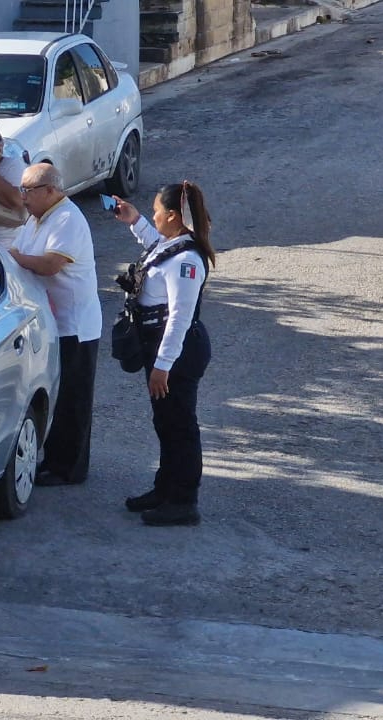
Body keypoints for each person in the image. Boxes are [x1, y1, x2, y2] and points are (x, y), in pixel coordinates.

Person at [112, 181, 215, 526]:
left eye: (156, 210)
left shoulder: (187, 260)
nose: (153, 215)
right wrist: (135, 220)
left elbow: (180, 319)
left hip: (177, 354)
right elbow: (156, 249)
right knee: (165, 423)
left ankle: (184, 501)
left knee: (180, 426)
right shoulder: (174, 245)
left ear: (173, 215)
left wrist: (163, 366)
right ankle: (165, 487)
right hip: (159, 348)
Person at [8, 164, 101, 486]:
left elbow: (49, 265)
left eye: (28, 191)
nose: (22, 197)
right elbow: (16, 250)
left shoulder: (67, 219)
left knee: (74, 396)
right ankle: (54, 459)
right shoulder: (36, 219)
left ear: (50, 190)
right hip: (49, 321)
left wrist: (15, 259)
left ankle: (70, 467)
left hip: (75, 324)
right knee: (56, 392)